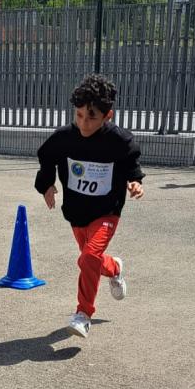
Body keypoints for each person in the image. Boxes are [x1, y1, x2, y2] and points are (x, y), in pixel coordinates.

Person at [34, 74, 144, 339]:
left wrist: (135, 181)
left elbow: (131, 162)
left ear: (108, 116)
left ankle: (83, 314)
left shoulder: (119, 141)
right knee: (91, 260)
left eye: (92, 117)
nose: (84, 122)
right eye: (79, 115)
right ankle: (114, 267)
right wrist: (46, 184)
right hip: (77, 212)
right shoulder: (64, 138)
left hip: (107, 211)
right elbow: (46, 157)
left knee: (88, 257)